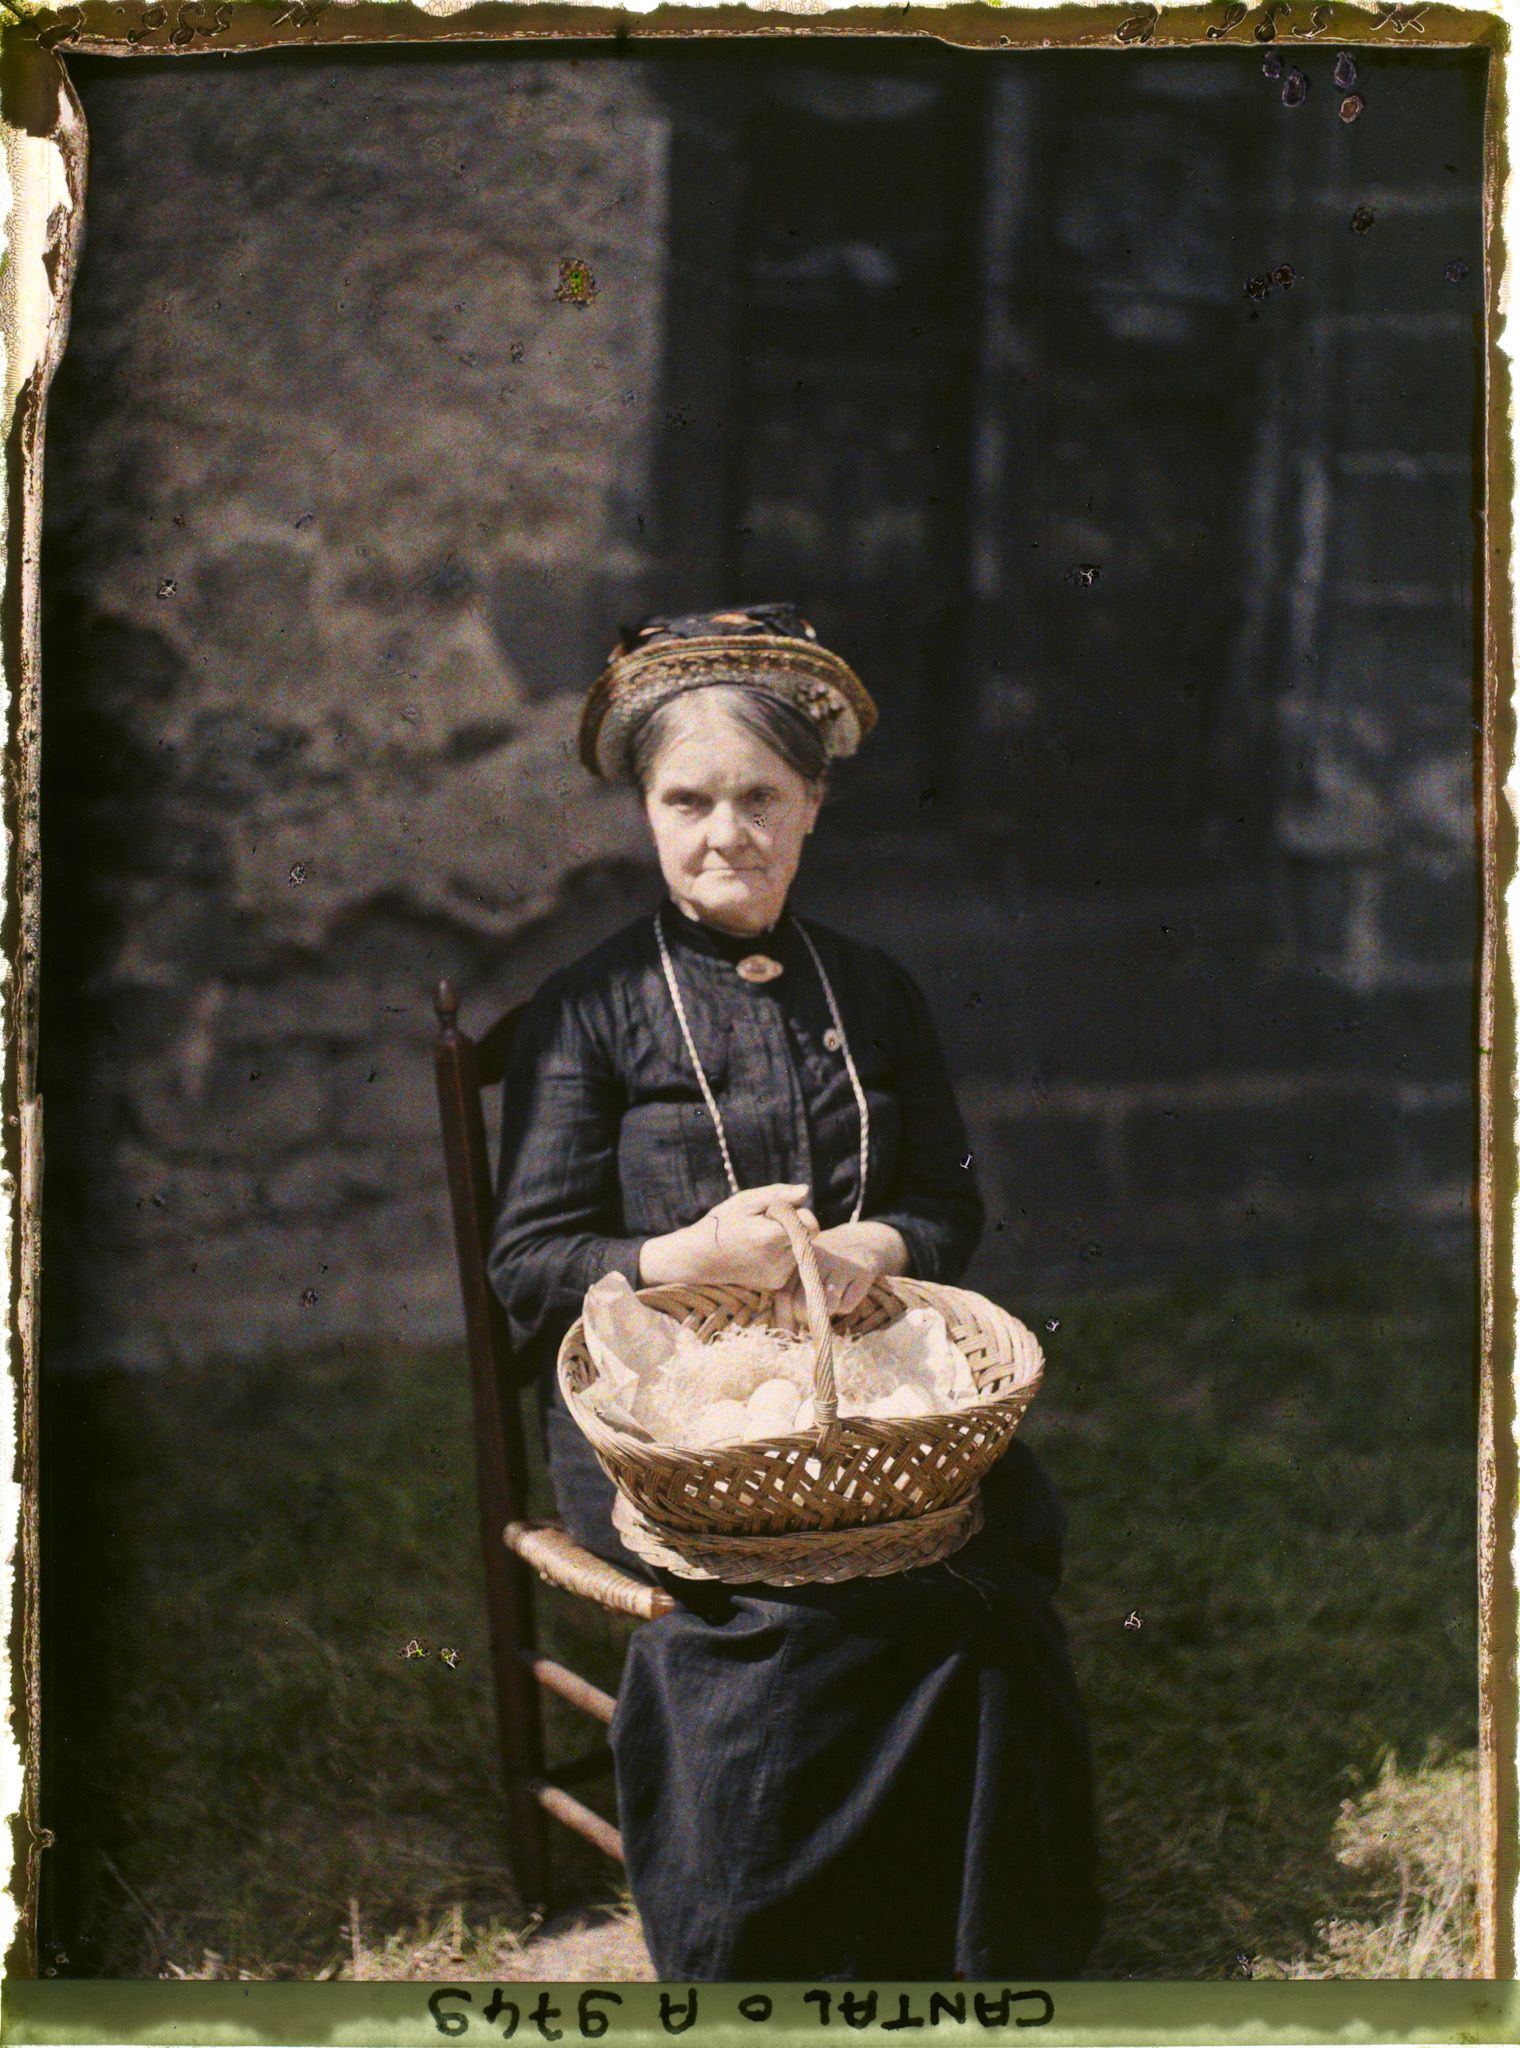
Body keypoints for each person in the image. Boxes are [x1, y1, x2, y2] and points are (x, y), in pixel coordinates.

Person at [489, 604, 1101, 1981]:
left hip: (865, 1398)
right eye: (687, 801)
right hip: (666, 1430)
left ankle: (971, 1947)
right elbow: (527, 1270)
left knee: (975, 1570)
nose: (726, 835)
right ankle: (769, 1963)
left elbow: (948, 1202)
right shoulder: (590, 1011)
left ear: (812, 804)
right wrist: (687, 1261)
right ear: (645, 812)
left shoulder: (875, 992)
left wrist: (873, 1251)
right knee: (783, 1610)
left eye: (759, 797)